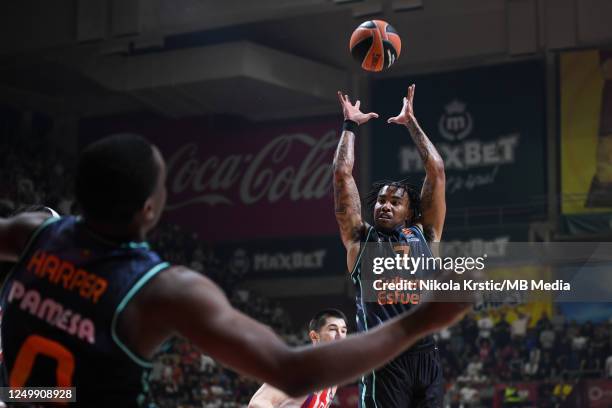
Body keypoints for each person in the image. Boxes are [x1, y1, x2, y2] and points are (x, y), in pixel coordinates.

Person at [0, 134, 470, 407]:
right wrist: (421, 322)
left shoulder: (37, 230)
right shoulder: (162, 288)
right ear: (150, 208)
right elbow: (290, 370)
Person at [333, 84, 448, 407]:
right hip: (383, 359)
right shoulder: (361, 239)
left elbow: (436, 172)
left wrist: (411, 122)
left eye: (394, 202)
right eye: (380, 200)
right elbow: (342, 175)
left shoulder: (426, 236)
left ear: (410, 211)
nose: (384, 205)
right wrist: (350, 126)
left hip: (426, 359)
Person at [248, 309, 348, 408]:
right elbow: (257, 403)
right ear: (314, 336)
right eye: (333, 329)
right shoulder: (299, 370)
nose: (340, 336)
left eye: (343, 331)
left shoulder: (333, 379)